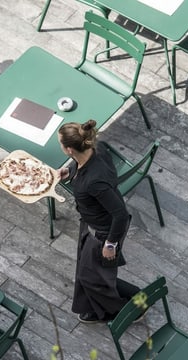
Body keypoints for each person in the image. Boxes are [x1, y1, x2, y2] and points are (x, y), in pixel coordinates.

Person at [57, 120, 141, 323]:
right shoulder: (96, 148)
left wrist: (110, 244)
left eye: (60, 144)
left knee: (90, 277)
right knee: (91, 271)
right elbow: (82, 163)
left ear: (69, 149)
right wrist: (70, 172)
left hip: (103, 232)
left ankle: (128, 310)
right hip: (92, 222)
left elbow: (120, 214)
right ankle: (130, 295)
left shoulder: (94, 183)